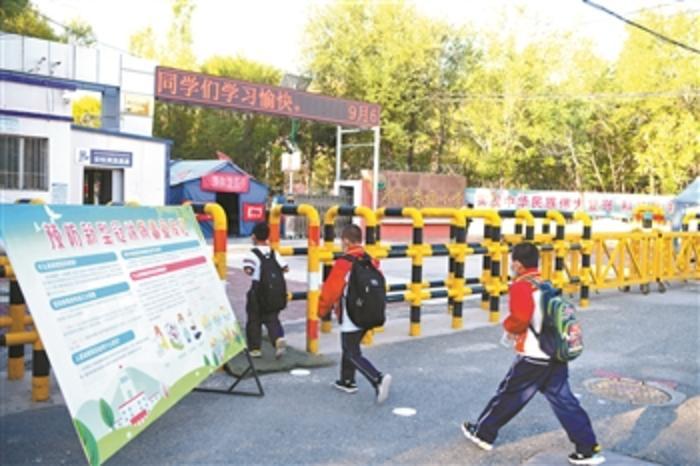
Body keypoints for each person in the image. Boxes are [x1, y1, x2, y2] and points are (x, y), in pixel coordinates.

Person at [462, 242, 605, 466]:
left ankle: (483, 433)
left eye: (512, 262)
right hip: (553, 352)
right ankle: (587, 447)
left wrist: (508, 328)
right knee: (564, 401)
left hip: (534, 354)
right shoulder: (544, 283)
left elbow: (520, 317)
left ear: (518, 264)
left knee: (509, 394)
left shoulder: (521, 286)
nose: (511, 266)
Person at [318, 224, 392, 403]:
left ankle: (377, 378)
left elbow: (331, 291)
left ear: (346, 241)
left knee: (351, 351)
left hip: (351, 313)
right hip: (369, 312)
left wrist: (321, 310)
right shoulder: (371, 260)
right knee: (351, 347)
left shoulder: (345, 262)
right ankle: (347, 380)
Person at [243, 222, 289, 359]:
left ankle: (255, 349)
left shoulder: (252, 254)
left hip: (257, 291)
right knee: (272, 319)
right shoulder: (274, 253)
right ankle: (278, 338)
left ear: (254, 237)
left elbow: (248, 270)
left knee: (254, 319)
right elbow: (285, 268)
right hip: (273, 294)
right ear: (268, 236)